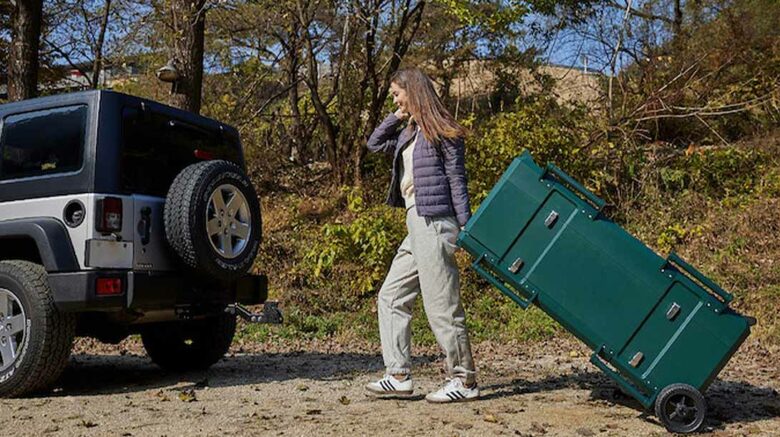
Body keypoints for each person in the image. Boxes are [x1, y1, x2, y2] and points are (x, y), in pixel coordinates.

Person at [364, 68, 478, 403]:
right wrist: (396, 116)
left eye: (398, 93)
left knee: (441, 304)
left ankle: (464, 380)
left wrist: (466, 226)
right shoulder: (409, 132)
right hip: (415, 223)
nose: (395, 99)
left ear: (414, 91)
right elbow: (374, 144)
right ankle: (398, 375)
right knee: (391, 296)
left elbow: (458, 183)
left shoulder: (443, 132)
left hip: (436, 221)